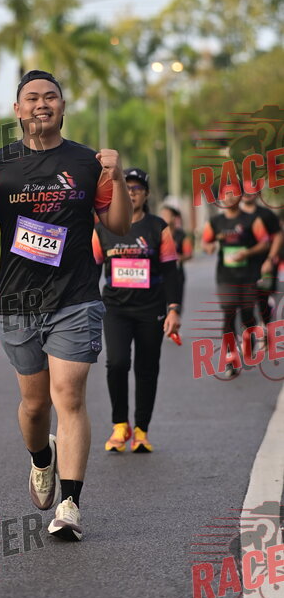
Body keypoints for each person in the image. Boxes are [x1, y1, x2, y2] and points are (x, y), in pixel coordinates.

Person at [0, 69, 132, 541]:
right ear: (18, 109)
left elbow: (118, 225)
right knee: (34, 406)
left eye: (50, 96)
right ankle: (41, 458)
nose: (41, 104)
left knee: (69, 395)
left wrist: (117, 176)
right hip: (19, 300)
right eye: (32, 98)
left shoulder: (88, 163)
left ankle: (70, 505)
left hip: (75, 296)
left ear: (63, 107)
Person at [92, 168, 181, 454]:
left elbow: (171, 272)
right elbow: (92, 270)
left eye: (137, 188)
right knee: (117, 363)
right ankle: (120, 425)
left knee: (146, 368)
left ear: (146, 194)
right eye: (127, 188)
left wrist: (173, 309)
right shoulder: (102, 228)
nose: (131, 193)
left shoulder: (158, 227)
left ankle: (141, 430)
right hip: (115, 308)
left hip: (150, 309)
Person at [201, 185, 270, 378]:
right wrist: (209, 246)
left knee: (247, 314)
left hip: (248, 276)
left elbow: (265, 242)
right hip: (226, 277)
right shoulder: (215, 222)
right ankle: (230, 358)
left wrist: (247, 253)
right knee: (229, 315)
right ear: (221, 197)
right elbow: (206, 242)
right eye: (226, 194)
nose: (230, 197)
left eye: (234, 193)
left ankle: (250, 337)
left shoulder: (252, 220)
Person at [240, 189, 283, 345]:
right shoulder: (235, 215)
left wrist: (270, 259)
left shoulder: (266, 215)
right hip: (241, 267)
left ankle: (265, 326)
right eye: (244, 191)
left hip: (264, 265)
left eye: (251, 191)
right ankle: (248, 334)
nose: (247, 194)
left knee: (262, 298)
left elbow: (278, 235)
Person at [160, 206, 193, 308]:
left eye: (166, 215)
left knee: (175, 306)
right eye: (162, 214)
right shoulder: (157, 233)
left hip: (177, 274)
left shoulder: (181, 235)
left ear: (173, 218)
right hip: (160, 274)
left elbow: (189, 254)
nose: (163, 217)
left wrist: (177, 257)